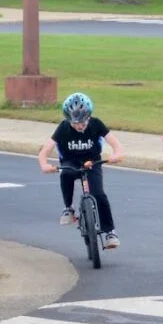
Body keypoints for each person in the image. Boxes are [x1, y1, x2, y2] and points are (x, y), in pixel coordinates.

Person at [37, 92, 122, 250]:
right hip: (71, 162)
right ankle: (68, 208)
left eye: (83, 121)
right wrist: (44, 165)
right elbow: (44, 151)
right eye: (75, 122)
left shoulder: (96, 124)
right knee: (66, 174)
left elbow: (115, 143)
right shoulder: (63, 128)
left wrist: (116, 154)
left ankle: (110, 232)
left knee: (99, 194)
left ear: (89, 116)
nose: (79, 126)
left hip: (92, 162)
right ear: (68, 119)